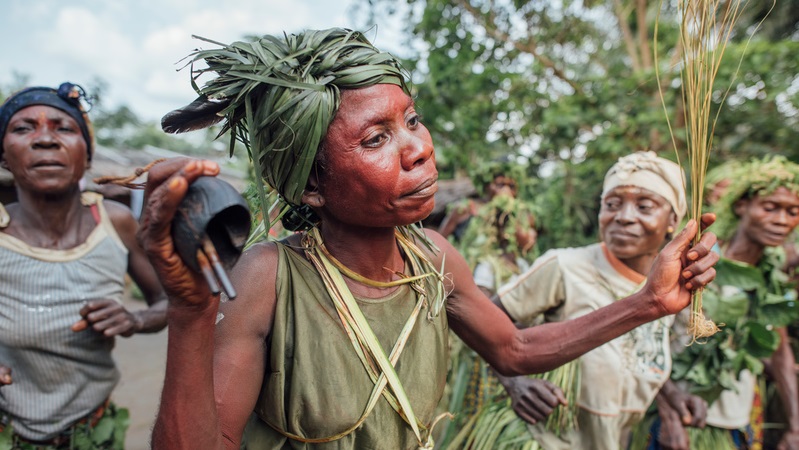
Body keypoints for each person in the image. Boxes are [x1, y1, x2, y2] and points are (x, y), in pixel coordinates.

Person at [137, 28, 718, 450]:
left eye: (411, 121)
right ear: (312, 185)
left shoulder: (433, 258)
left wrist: (648, 303)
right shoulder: (268, 278)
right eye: (375, 140)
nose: (417, 149)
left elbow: (514, 350)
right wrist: (191, 312)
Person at [484, 151, 697, 449]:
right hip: (545, 440)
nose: (624, 216)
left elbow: (635, 354)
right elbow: (484, 321)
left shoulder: (671, 289)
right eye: (612, 204)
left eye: (645, 206)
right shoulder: (564, 266)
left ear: (674, 220)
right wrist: (514, 383)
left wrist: (671, 399)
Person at [0, 82, 168, 447]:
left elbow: (166, 302)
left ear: (87, 155)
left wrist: (135, 319)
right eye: (23, 128)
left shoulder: (116, 222)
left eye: (63, 128)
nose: (45, 139)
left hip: (94, 432)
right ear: (2, 155)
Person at [652, 155, 799, 450]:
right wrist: (668, 412)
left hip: (736, 421)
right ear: (741, 206)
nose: (782, 220)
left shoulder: (772, 277)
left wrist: (795, 426)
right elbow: (646, 339)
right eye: (770, 208)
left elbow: (778, 348)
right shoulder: (696, 259)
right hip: (678, 418)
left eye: (793, 211)